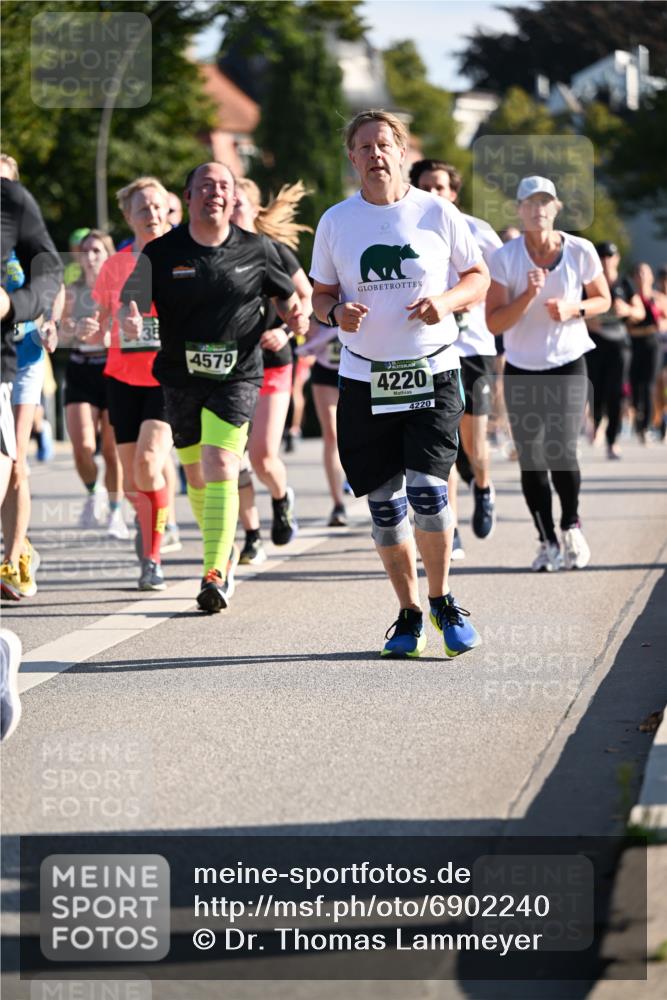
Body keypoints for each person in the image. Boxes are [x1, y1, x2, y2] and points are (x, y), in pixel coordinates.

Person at [311, 110, 489, 658]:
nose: (374, 154)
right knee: (386, 506)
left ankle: (442, 599)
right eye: (363, 146)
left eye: (384, 144)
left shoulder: (437, 212)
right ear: (352, 156)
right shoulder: (336, 221)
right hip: (364, 377)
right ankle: (409, 613)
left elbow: (478, 278)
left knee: (430, 492)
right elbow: (320, 295)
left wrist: (446, 302)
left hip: (432, 370)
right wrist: (334, 312)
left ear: (403, 151)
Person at [120, 161, 303, 612]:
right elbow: (132, 298)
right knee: (196, 472)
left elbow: (287, 296)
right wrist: (129, 313)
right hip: (180, 377)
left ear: (231, 196)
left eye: (222, 185)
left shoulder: (258, 248)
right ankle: (220, 552)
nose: (215, 193)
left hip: (237, 373)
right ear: (188, 197)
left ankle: (214, 570)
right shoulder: (161, 253)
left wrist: (294, 318)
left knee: (221, 459)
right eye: (205, 186)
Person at [486, 176, 611, 572]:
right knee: (532, 460)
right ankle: (546, 541)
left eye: (545, 202)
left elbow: (603, 299)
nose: (538, 209)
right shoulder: (505, 258)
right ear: (519, 210)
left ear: (556, 208)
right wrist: (527, 296)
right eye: (530, 202)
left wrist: (574, 308)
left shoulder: (580, 250)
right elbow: (493, 323)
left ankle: (571, 523)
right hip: (523, 367)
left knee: (561, 447)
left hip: (569, 361)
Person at [409, 159, 501, 559]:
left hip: (474, 347)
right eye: (426, 186)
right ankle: (452, 529)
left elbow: (496, 281)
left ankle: (483, 485)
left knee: (473, 443)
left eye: (441, 187)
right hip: (430, 350)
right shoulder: (406, 229)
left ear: (453, 192)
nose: (434, 194)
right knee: (441, 445)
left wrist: (463, 303)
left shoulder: (478, 230)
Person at [92, 176, 174, 590]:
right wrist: (96, 325)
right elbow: (96, 325)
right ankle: (154, 519)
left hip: (167, 377)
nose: (152, 215)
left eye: (158, 207)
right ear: (128, 216)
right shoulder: (115, 265)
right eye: (143, 209)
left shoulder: (182, 259)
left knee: (146, 463)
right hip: (122, 378)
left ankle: (152, 556)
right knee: (132, 478)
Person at [231, 178, 312, 564]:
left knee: (262, 456)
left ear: (254, 210)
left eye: (238, 205)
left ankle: (281, 498)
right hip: (229, 366)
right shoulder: (211, 253)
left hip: (272, 362)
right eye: (226, 204)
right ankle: (251, 535)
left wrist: (283, 331)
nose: (230, 211)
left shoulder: (274, 250)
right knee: (234, 458)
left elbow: (307, 298)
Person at [1, 173, 62, 598]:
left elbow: (50, 272)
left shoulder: (13, 205)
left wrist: (25, 310)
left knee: (18, 463)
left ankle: (14, 554)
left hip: (21, 357)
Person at [59, 229, 128, 536]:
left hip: (112, 368)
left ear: (109, 255)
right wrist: (73, 330)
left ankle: (115, 512)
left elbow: (135, 329)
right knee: (83, 446)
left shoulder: (122, 289)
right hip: (80, 368)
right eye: (85, 251)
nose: (90, 257)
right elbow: (57, 333)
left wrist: (113, 334)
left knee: (112, 450)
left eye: (97, 251)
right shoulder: (71, 291)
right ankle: (93, 492)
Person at [585, 242, 644, 459]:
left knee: (616, 393)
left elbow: (639, 311)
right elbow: (577, 309)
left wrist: (626, 309)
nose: (606, 260)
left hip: (619, 345)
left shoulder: (624, 283)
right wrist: (589, 318)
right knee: (596, 391)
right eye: (602, 256)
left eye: (610, 256)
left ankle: (612, 440)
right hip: (595, 344)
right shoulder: (589, 282)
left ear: (617, 259)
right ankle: (597, 422)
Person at [628, 262, 666, 444]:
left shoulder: (659, 299)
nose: (642, 276)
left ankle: (648, 425)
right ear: (634, 277)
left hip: (653, 344)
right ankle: (638, 417)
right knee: (635, 385)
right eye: (638, 273)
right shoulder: (631, 299)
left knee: (650, 385)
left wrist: (660, 325)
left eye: (645, 272)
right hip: (634, 344)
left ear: (651, 277)